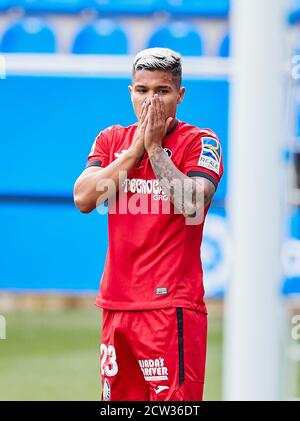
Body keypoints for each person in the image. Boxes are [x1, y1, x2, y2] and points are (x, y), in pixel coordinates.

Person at [74, 47, 224, 401]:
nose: (150, 101)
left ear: (180, 95)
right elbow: (83, 198)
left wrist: (155, 150)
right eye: (142, 91)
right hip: (116, 306)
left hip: (170, 309)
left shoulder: (200, 142)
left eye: (162, 91)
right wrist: (136, 150)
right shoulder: (111, 140)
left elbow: (192, 201)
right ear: (130, 92)